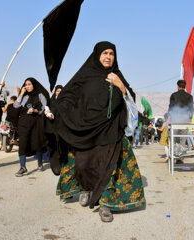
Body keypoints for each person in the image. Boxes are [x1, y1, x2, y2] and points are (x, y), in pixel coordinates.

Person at [55, 41, 145, 222]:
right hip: (87, 130)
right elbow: (67, 96)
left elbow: (131, 99)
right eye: (105, 53)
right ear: (97, 55)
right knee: (83, 164)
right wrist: (58, 111)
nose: (108, 57)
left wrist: (120, 86)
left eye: (112, 54)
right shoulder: (85, 75)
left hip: (111, 130)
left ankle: (105, 204)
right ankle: (88, 189)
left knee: (108, 167)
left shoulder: (117, 75)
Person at [13, 77, 51, 177]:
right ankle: (23, 167)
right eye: (26, 84)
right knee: (22, 144)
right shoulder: (24, 96)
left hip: (36, 122)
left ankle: (39, 162)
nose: (27, 86)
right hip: (24, 123)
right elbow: (16, 106)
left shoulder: (40, 95)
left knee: (36, 142)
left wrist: (36, 111)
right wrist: (21, 94)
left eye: (29, 84)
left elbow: (44, 107)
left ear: (34, 85)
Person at [168, 80, 194, 163]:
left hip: (175, 118)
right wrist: (190, 119)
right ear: (185, 86)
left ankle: (173, 157)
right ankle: (180, 159)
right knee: (183, 139)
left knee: (173, 138)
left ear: (178, 86)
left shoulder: (174, 95)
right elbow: (191, 109)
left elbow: (171, 107)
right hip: (185, 119)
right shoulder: (189, 96)